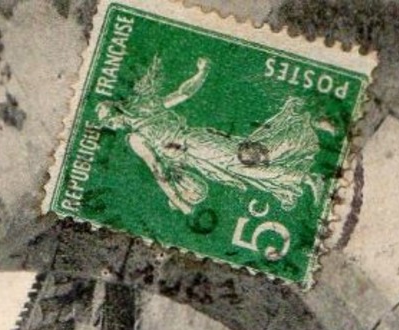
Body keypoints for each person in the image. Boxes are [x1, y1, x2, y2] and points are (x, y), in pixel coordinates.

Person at [95, 55, 338, 217]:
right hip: (197, 153)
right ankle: (306, 158)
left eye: (109, 121)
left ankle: (307, 146)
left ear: (116, 114)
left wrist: (181, 203)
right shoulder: (146, 112)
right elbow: (183, 93)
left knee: (247, 161)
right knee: (248, 164)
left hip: (195, 146)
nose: (113, 126)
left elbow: (158, 171)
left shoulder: (137, 136)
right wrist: (202, 72)